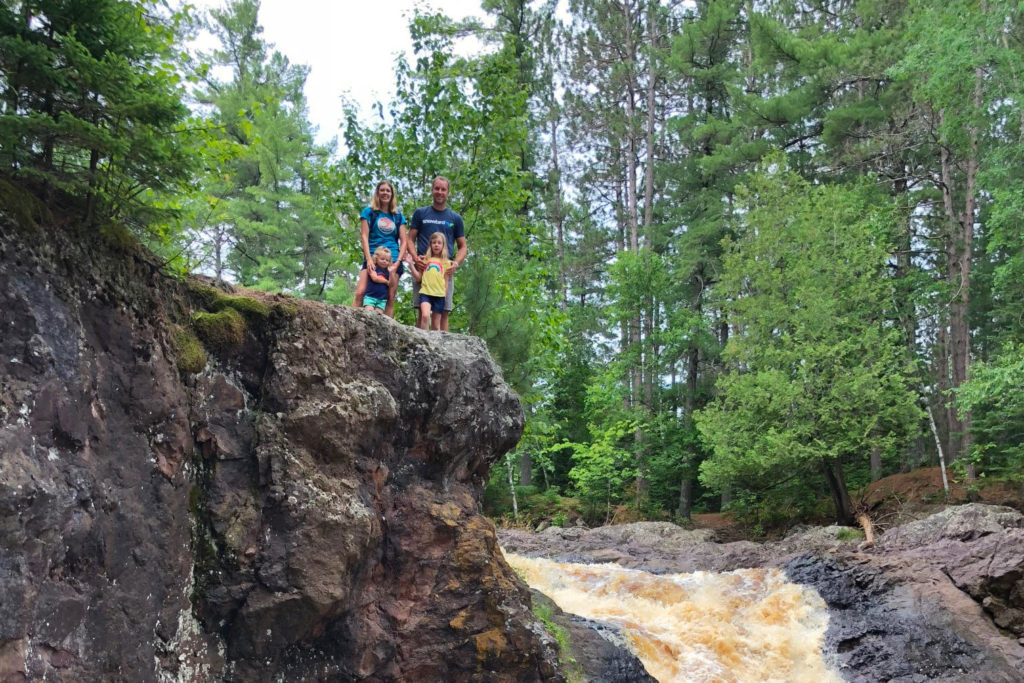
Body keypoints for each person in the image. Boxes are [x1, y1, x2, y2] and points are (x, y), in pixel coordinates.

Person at [408, 176, 466, 331]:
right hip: (423, 267)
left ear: (448, 193)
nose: (440, 192)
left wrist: (456, 263)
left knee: (443, 312)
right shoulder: (421, 213)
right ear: (432, 190)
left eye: (443, 189)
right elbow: (409, 239)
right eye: (437, 188)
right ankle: (419, 348)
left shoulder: (455, 218)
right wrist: (415, 258)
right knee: (422, 311)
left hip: (445, 270)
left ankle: (442, 352)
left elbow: (463, 247)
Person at [352, 181, 408, 318]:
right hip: (373, 256)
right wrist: (369, 259)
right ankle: (350, 326)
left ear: (392, 194)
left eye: (388, 191)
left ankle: (387, 334)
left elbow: (404, 240)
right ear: (377, 193)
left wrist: (397, 262)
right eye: (382, 190)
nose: (385, 193)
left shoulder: (398, 215)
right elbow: (364, 236)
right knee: (361, 292)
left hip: (392, 258)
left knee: (389, 297)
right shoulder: (369, 212)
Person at [409, 233, 452, 331]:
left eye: (439, 243)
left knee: (436, 325)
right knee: (425, 316)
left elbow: (446, 281)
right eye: (434, 243)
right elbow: (419, 278)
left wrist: (444, 295)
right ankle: (425, 340)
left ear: (443, 245)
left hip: (439, 295)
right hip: (425, 293)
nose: (436, 245)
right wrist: (411, 265)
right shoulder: (425, 260)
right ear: (430, 245)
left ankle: (434, 344)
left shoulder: (447, 263)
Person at [362, 246, 393, 315]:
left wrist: (391, 273)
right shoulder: (373, 267)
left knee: (378, 318)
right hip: (370, 297)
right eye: (382, 259)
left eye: (387, 260)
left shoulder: (388, 271)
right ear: (376, 258)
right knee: (369, 314)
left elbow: (391, 284)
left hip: (382, 300)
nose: (385, 261)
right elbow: (375, 278)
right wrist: (386, 281)